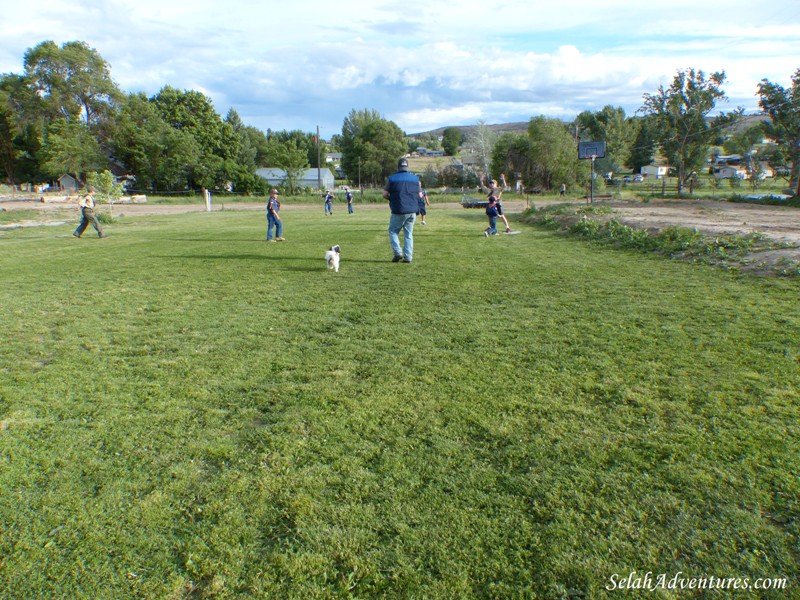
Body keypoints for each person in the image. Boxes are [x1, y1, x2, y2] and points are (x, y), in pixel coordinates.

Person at [383, 157, 421, 263]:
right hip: (412, 211)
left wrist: (392, 198)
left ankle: (398, 252)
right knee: (408, 234)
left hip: (398, 210)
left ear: (398, 167)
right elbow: (420, 195)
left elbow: (385, 194)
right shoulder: (415, 179)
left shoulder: (392, 179)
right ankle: (408, 257)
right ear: (407, 167)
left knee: (393, 231)